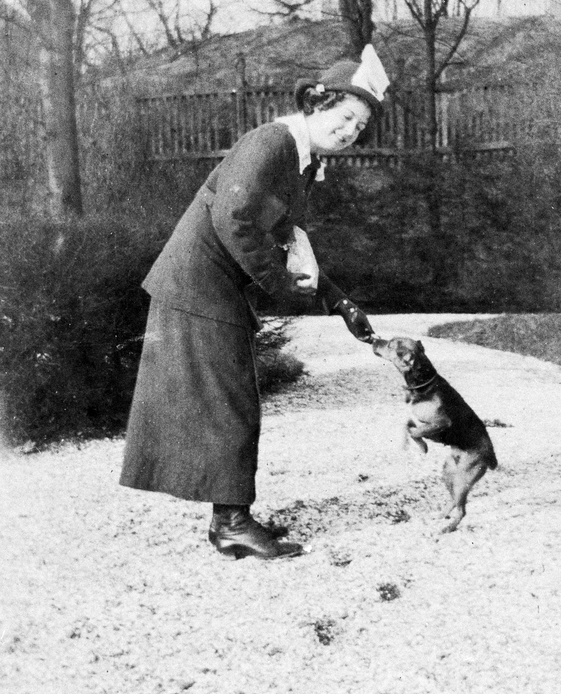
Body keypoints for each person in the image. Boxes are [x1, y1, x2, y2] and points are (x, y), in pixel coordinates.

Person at [119, 45, 390, 560]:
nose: (350, 131)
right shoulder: (273, 142)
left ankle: (229, 518)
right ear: (316, 104)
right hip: (197, 285)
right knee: (232, 403)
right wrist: (281, 288)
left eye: (360, 126)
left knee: (228, 401)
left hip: (209, 287)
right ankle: (231, 524)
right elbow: (233, 218)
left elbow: (292, 243)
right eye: (344, 116)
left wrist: (338, 302)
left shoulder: (302, 161)